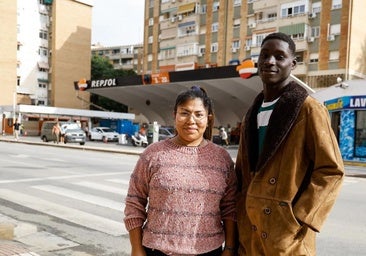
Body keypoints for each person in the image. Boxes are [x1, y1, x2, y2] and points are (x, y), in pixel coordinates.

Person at [235, 32, 344, 255]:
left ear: (292, 64)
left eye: (279, 56)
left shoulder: (308, 108)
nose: (269, 62)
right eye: (264, 55)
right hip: (250, 233)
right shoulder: (251, 113)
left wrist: (299, 217)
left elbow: (331, 170)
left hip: (287, 237)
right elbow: (241, 174)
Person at [124, 86, 237, 256]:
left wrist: (229, 248)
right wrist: (136, 248)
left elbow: (230, 207)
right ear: (174, 115)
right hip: (157, 250)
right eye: (184, 113)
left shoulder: (222, 158)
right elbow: (134, 203)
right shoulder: (153, 154)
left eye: (199, 114)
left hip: (209, 252)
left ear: (208, 118)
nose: (191, 120)